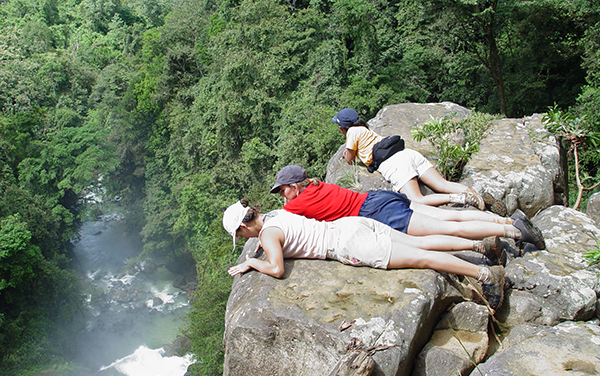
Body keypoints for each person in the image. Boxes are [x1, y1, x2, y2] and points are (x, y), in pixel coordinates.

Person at [223, 199, 506, 310]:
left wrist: (252, 262)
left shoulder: (267, 235)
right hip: (349, 224)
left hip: (347, 244)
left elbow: (276, 270)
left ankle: (484, 275)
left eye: (240, 234)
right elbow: (282, 234)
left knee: (422, 259)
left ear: (245, 225)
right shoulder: (275, 215)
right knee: (420, 245)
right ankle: (478, 246)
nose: (243, 239)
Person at [269, 165, 546, 253]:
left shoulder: (298, 203)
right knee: (451, 215)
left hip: (377, 214)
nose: (282, 195)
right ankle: (510, 221)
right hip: (378, 198)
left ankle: (516, 233)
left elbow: (276, 222)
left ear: (294, 187)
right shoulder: (317, 185)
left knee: (451, 228)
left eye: (282, 189)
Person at [332, 108, 506, 215]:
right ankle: (477, 195)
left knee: (416, 200)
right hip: (407, 154)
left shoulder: (352, 133)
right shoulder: (364, 129)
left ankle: (462, 198)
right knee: (442, 184)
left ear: (342, 127)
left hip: (394, 164)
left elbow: (349, 160)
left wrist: (346, 153)